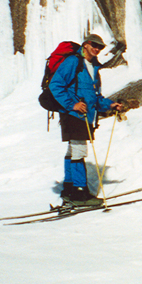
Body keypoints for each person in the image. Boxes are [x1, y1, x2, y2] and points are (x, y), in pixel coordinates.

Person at [49, 34, 123, 206]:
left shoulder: (94, 67)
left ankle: (69, 188)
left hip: (83, 116)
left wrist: (110, 105)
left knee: (73, 151)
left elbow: (94, 97)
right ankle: (80, 192)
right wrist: (72, 104)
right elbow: (56, 84)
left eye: (100, 47)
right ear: (86, 44)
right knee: (79, 151)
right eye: (94, 45)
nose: (97, 49)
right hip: (73, 114)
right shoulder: (74, 61)